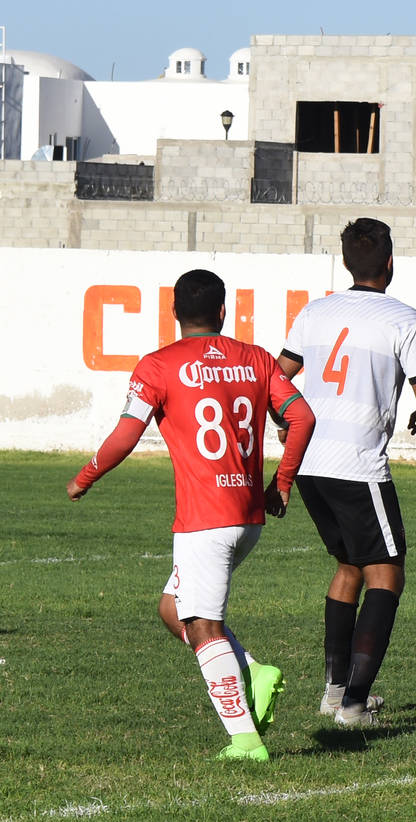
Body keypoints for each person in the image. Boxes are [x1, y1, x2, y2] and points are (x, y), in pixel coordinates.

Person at [67, 269, 316, 761]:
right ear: (222, 312)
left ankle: (244, 739)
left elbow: (126, 434)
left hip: (205, 519)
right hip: (247, 516)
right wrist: (281, 484)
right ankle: (252, 670)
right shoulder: (256, 359)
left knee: (202, 624)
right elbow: (302, 416)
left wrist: (86, 476)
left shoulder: (158, 366)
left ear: (174, 313)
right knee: (171, 608)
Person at [277, 217, 416, 727]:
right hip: (358, 464)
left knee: (349, 567)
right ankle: (352, 706)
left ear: (346, 262)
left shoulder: (315, 311)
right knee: (387, 574)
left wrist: (285, 422)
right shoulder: (402, 318)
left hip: (310, 464)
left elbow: (274, 377)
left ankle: (334, 693)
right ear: (390, 263)